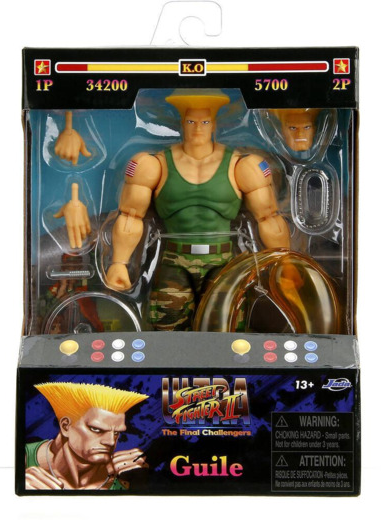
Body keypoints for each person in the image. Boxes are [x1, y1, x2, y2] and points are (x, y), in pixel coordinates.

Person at [54, 90, 290, 330]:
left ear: (214, 125)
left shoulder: (244, 166)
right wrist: (119, 263)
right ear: (182, 124)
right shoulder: (151, 165)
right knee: (167, 330)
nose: (197, 129)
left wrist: (285, 265)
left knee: (226, 329)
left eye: (204, 122)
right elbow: (130, 216)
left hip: (223, 262)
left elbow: (268, 218)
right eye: (191, 122)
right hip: (174, 261)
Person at [25, 382, 148, 490]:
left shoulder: (124, 479)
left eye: (116, 433)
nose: (111, 441)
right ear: (66, 426)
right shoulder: (23, 459)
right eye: (96, 429)